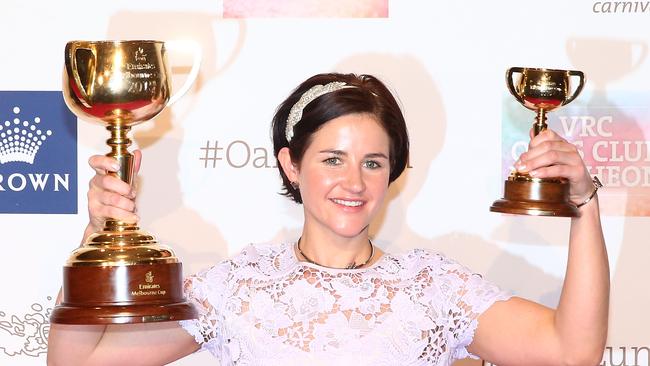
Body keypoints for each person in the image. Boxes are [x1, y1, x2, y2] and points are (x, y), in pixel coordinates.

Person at [47, 73, 609, 365]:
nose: (355, 183)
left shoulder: (434, 287)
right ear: (291, 164)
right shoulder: (238, 289)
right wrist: (99, 238)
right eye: (332, 159)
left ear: (393, 173)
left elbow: (572, 350)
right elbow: (82, 362)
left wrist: (583, 205)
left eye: (373, 162)